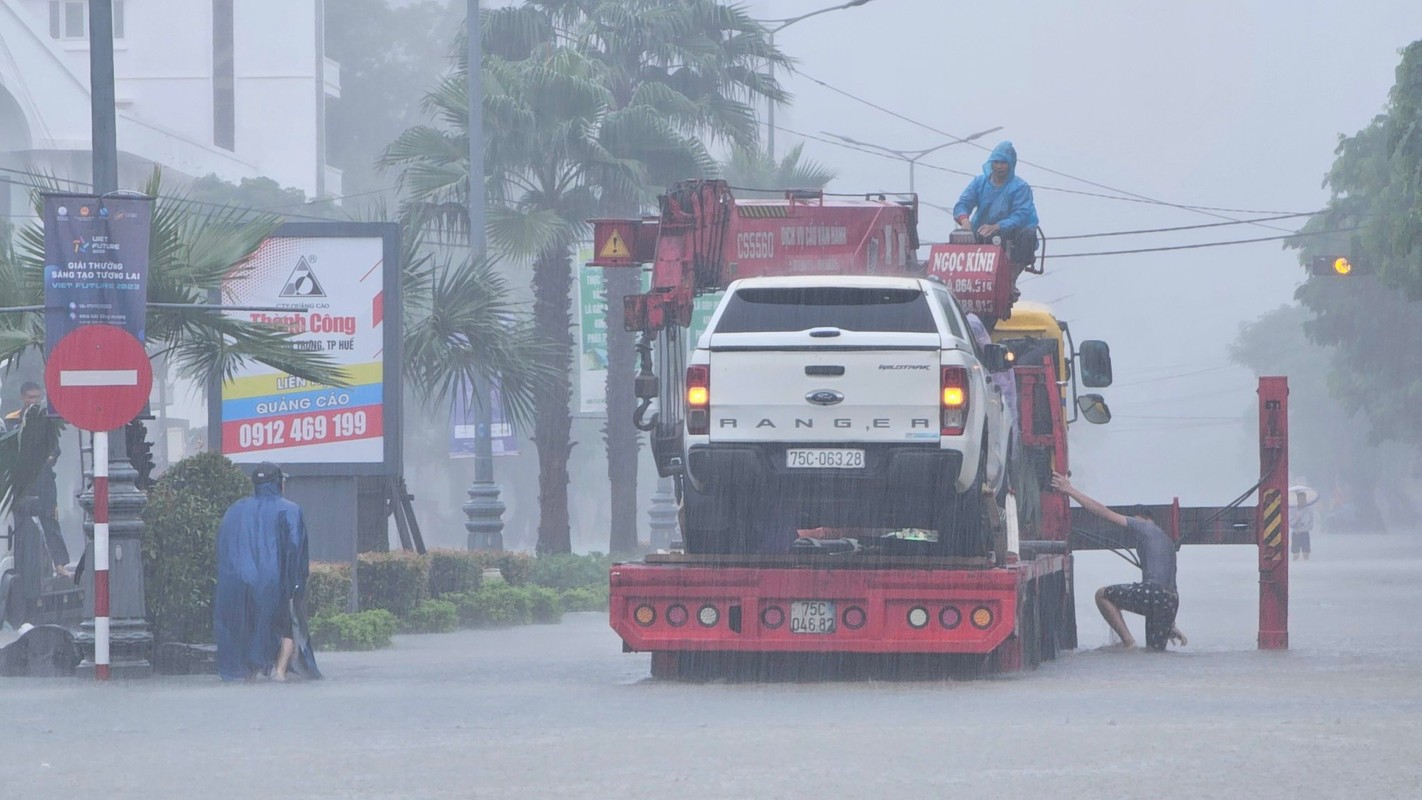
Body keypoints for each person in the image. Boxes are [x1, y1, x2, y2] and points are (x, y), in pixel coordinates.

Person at [1051, 471, 1187, 651]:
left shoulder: (1143, 526)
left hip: (1152, 592)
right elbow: (1170, 586)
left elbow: (1104, 512)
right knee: (1154, 654)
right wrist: (1170, 623)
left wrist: (1069, 490)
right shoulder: (1168, 543)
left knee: (1102, 595)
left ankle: (1128, 643)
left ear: (1145, 519)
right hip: (1170, 601)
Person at [214, 462, 320, 682]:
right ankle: (279, 672)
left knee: (247, 630)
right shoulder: (289, 510)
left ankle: (247, 674)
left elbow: (223, 548)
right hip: (273, 583)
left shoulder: (235, 510)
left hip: (236, 585)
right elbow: (295, 548)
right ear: (279, 483)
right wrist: (297, 584)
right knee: (288, 626)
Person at [5, 381, 70, 576]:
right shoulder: (11, 420)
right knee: (15, 521)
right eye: (30, 397)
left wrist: (47, 457)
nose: (33, 401)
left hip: (43, 479)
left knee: (49, 518)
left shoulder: (47, 418)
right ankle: (19, 563)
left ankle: (60, 565)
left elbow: (54, 450)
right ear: (23, 398)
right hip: (20, 480)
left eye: (37, 397)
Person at [953, 141, 1040, 271]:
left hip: (1012, 236)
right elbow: (963, 203)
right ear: (991, 163)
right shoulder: (979, 183)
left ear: (1010, 164)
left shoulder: (1020, 187)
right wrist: (964, 221)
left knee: (1027, 235)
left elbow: (1021, 215)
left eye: (1003, 163)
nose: (999, 166)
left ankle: (1011, 276)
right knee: (959, 239)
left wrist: (997, 226)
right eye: (996, 162)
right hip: (981, 231)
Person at [1290, 489, 1316, 561]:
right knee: (1295, 552)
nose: (1302, 500)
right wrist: (1295, 523)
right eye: (1301, 499)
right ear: (1297, 499)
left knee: (1306, 551)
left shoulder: (1308, 510)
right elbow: (1290, 520)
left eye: (1304, 499)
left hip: (1304, 532)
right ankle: (1295, 563)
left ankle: (1306, 562)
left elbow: (1310, 520)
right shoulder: (1293, 509)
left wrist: (1302, 522)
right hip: (1295, 532)